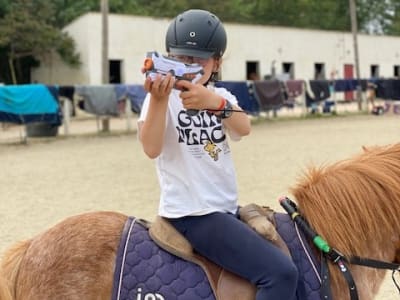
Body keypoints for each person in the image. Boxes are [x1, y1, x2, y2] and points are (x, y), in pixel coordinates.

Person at [138, 9, 298, 300]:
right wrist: (160, 100)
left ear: (217, 62)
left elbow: (244, 127)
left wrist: (215, 103)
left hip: (223, 209)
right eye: (182, 58)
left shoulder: (223, 97)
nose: (190, 65)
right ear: (168, 58)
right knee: (280, 274)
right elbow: (151, 148)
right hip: (191, 213)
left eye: (199, 59)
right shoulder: (160, 99)